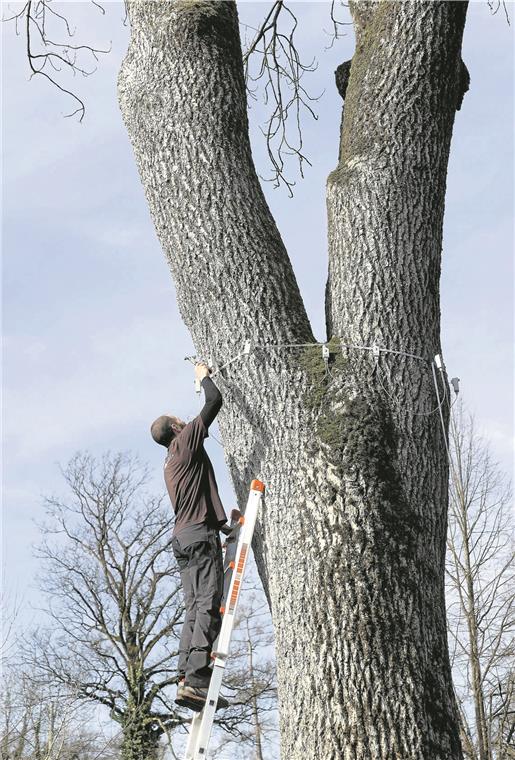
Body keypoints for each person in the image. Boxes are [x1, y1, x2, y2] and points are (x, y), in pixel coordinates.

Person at [150, 362, 229, 712]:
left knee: (194, 607)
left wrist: (223, 524)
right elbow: (214, 401)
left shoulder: (172, 460)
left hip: (183, 536)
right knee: (209, 604)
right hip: (197, 537)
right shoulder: (184, 443)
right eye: (178, 419)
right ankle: (197, 680)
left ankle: (186, 677)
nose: (184, 420)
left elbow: (197, 495)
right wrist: (202, 376)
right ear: (175, 428)